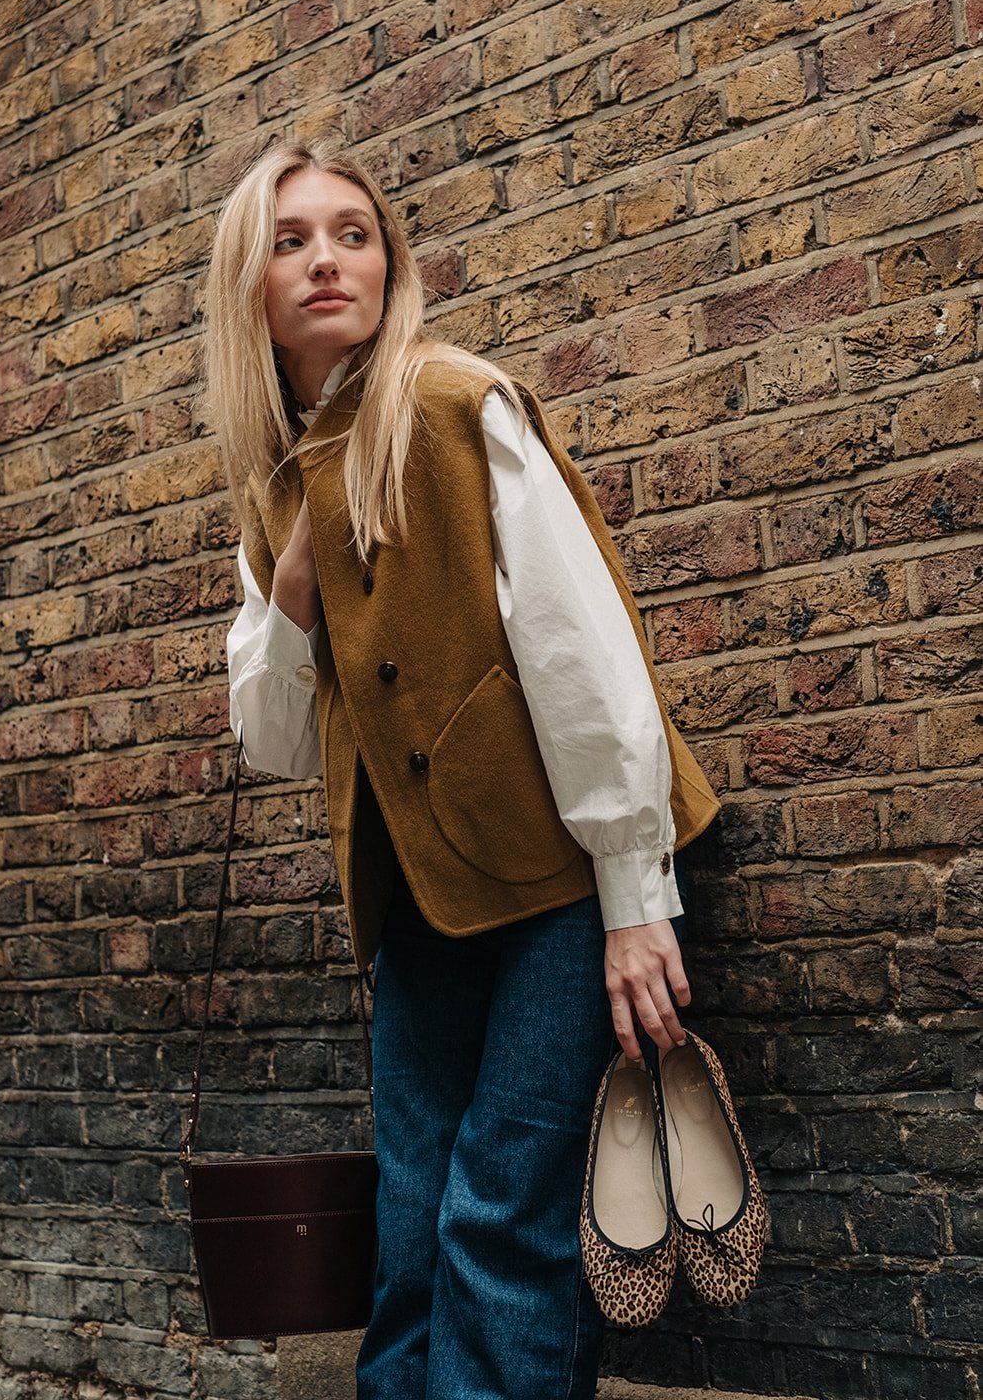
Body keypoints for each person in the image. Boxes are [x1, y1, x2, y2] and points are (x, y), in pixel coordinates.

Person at [198, 136, 720, 1400]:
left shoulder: (450, 404)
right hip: (412, 905)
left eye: (354, 232)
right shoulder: (271, 485)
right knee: (410, 1231)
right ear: (247, 289)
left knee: (501, 1221)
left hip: (552, 884)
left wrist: (631, 899)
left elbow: (580, 647)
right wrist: (289, 588)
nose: (328, 258)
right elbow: (272, 737)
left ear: (391, 264)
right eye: (291, 238)